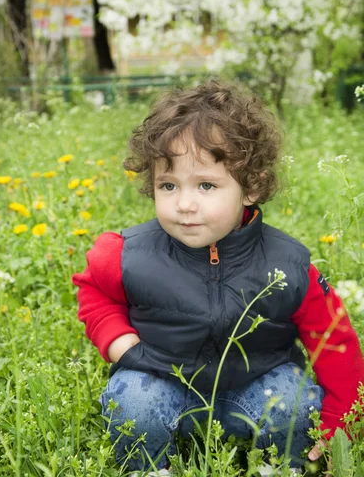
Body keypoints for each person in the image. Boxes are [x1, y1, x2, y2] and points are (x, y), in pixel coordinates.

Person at [72, 80, 364, 475]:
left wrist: (340, 423)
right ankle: (149, 467)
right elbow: (93, 290)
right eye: (168, 185)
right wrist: (119, 342)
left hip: (257, 385)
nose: (184, 204)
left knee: (293, 405)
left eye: (206, 185)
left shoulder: (288, 263)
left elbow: (334, 341)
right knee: (133, 403)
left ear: (251, 187)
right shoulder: (128, 253)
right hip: (165, 381)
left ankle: (283, 466)